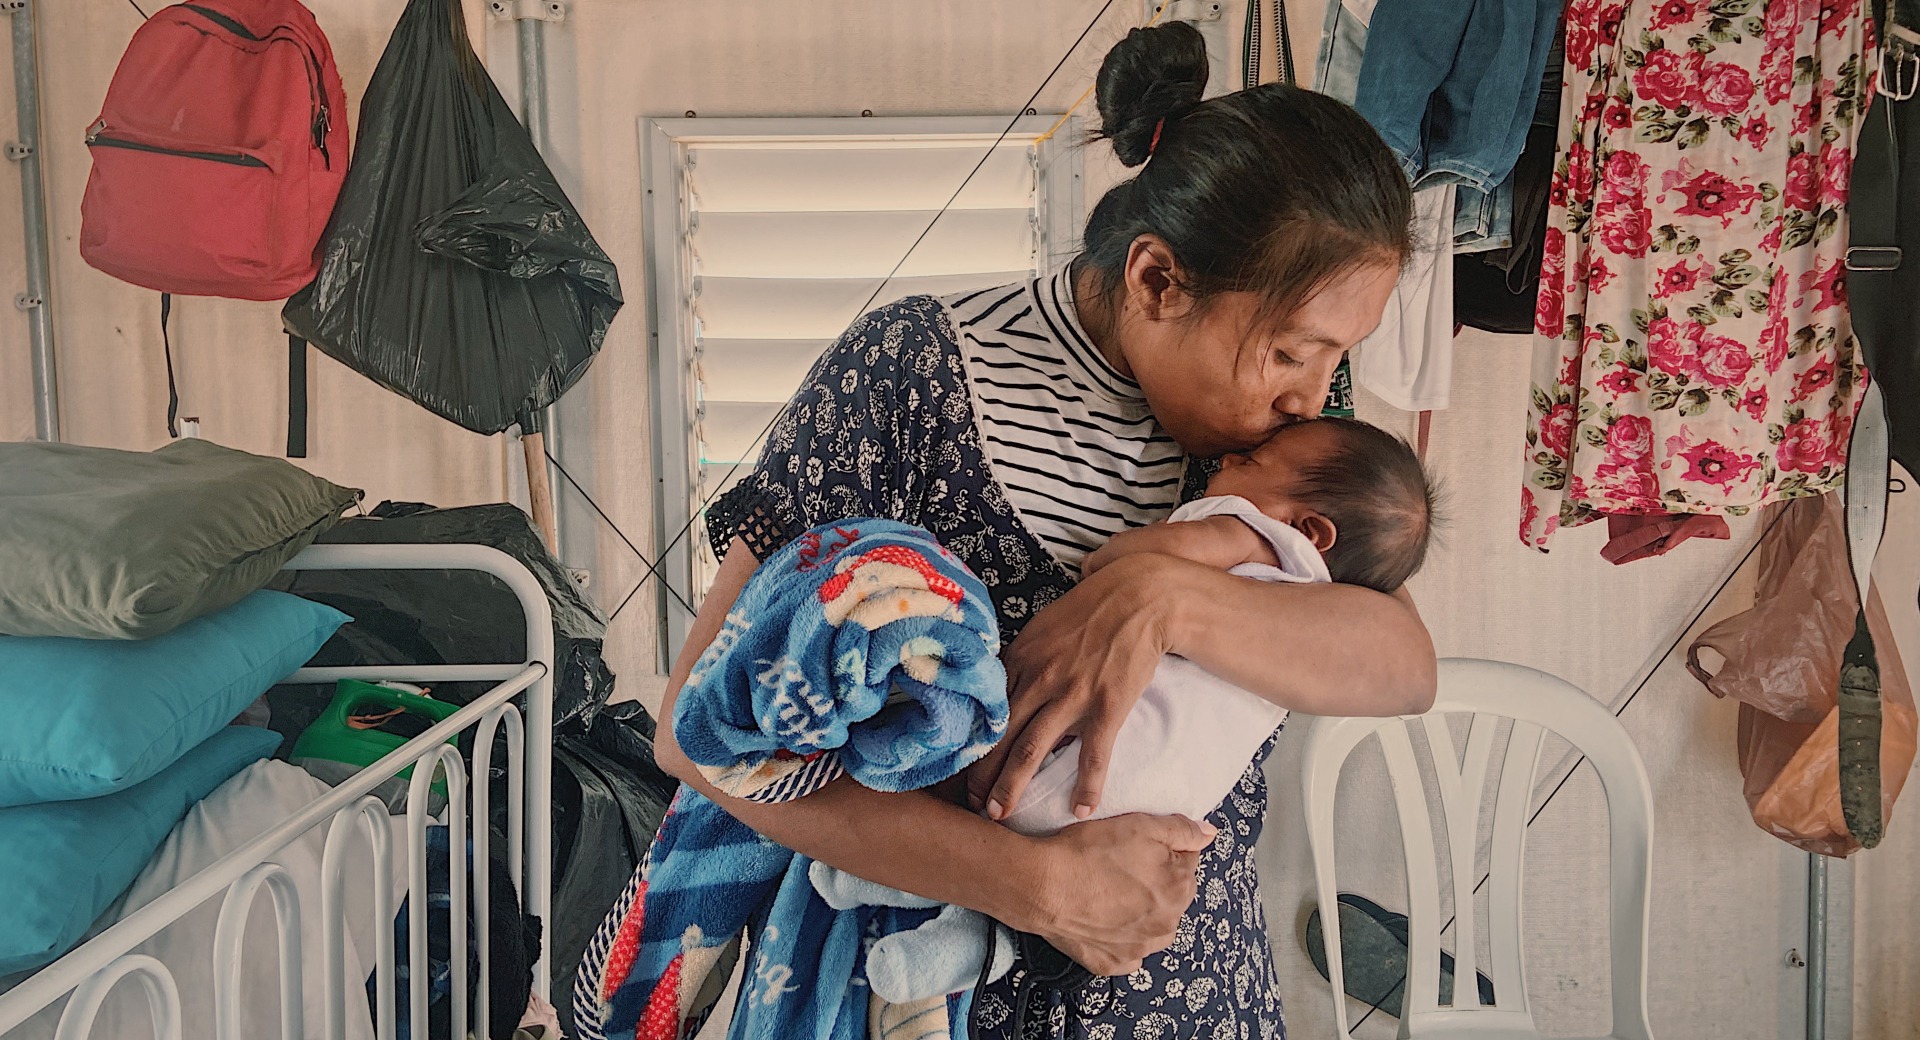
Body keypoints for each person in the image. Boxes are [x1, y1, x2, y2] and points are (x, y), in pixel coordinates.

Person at [582, 19, 1434, 1040]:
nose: (1313, 395)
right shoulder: (913, 377)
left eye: (1333, 357)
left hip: (1195, 999)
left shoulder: (1281, 451)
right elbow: (696, 728)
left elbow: (1399, 662)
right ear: (1159, 279)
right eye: (1293, 350)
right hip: (923, 995)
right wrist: (1034, 884)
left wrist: (1163, 596)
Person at [808, 416, 1439, 1007]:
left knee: (957, 769)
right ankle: (965, 943)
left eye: (1252, 458)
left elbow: (1118, 562)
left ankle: (885, 882)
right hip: (1151, 827)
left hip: (1064, 775)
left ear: (1310, 530)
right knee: (1018, 888)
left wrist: (1139, 579)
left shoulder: (1250, 529)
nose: (1231, 455)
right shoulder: (1328, 602)